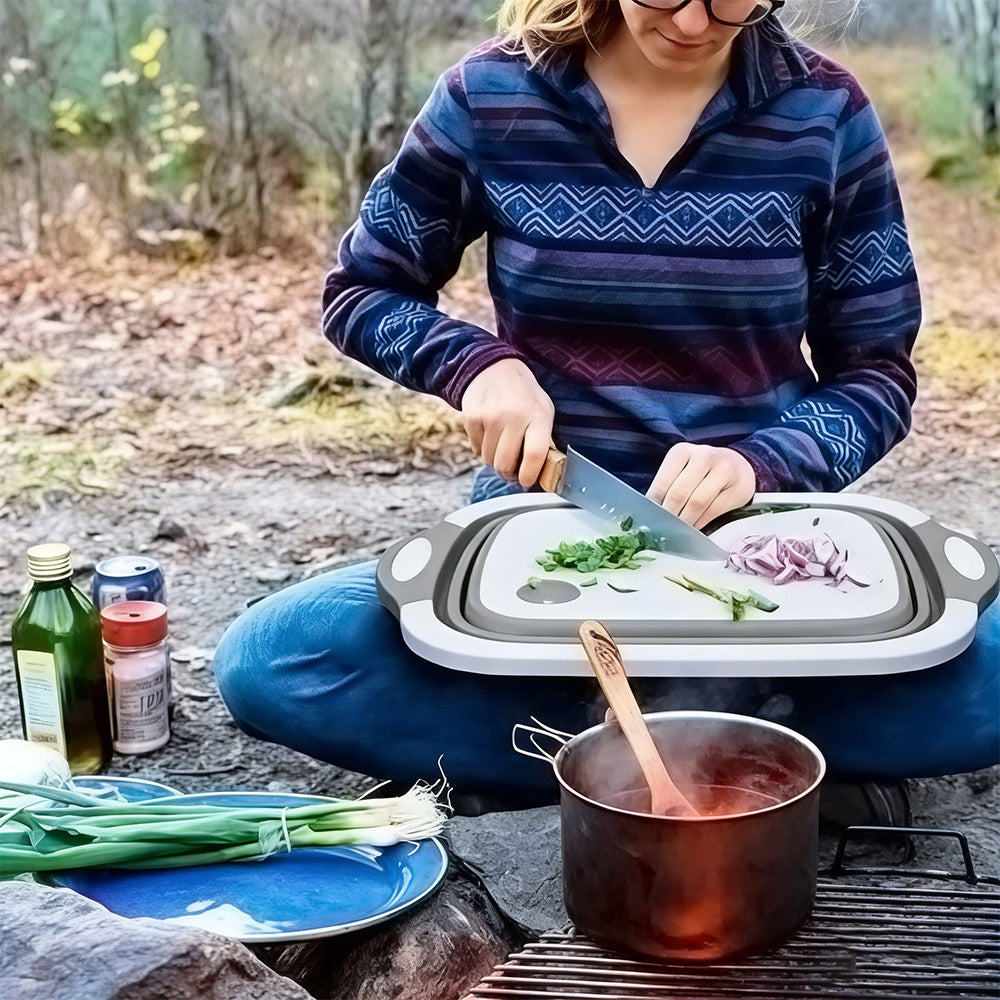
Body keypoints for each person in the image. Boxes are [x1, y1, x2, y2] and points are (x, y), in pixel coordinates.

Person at [214, 0, 999, 819]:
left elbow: (874, 373)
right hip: (546, 548)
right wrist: (476, 366)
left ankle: (593, 753)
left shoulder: (826, 114)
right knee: (273, 661)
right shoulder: (492, 95)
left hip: (761, 567)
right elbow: (362, 290)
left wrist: (763, 463)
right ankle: (752, 759)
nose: (696, 22)